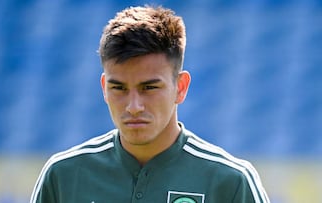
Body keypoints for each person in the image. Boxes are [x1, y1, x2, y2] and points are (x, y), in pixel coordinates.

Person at [30, 5, 270, 203]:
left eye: (149, 88)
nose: (134, 106)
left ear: (181, 87)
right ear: (104, 88)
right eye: (119, 88)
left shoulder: (230, 182)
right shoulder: (63, 176)